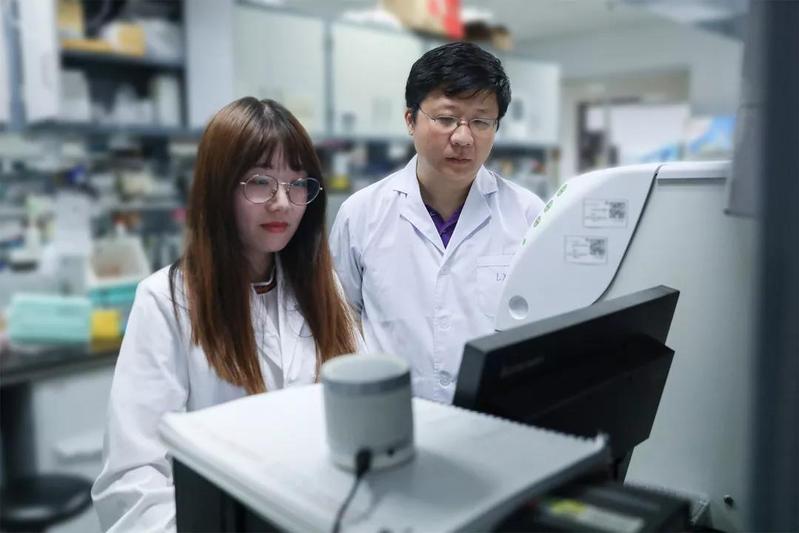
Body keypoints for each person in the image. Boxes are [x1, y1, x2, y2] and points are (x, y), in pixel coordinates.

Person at [92, 97, 361, 531]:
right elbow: (132, 480)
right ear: (219, 189)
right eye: (260, 182)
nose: (282, 202)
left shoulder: (322, 286)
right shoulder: (166, 301)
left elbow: (361, 411)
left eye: (297, 184)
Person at [330, 42, 544, 404]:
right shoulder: (360, 214)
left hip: (494, 416)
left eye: (481, 122)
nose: (463, 138)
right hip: (392, 413)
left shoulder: (528, 215)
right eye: (446, 119)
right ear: (410, 120)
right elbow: (340, 321)